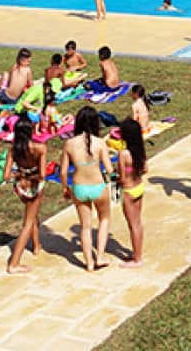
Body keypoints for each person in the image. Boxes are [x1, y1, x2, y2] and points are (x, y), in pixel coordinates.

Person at [61, 107, 113, 271]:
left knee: (85, 225)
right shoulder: (100, 143)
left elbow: (63, 172)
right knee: (104, 219)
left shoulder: (69, 144)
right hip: (98, 186)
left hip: (79, 187)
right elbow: (109, 169)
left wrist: (65, 188)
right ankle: (100, 256)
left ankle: (89, 263)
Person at [4, 119, 46, 274]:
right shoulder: (40, 148)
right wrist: (31, 175)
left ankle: (36, 245)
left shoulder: (13, 150)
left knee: (32, 214)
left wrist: (21, 174)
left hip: (20, 187)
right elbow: (42, 175)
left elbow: (6, 175)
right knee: (28, 223)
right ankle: (14, 263)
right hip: (34, 186)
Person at [115, 118, 147, 267]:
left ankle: (137, 259)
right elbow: (145, 169)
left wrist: (114, 179)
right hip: (139, 187)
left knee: (132, 224)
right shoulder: (140, 150)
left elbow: (121, 178)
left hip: (128, 190)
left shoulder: (123, 154)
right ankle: (137, 253)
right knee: (138, 223)